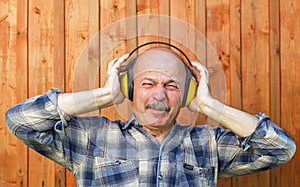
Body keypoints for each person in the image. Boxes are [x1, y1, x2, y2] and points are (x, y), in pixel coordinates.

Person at [6, 45, 296, 187]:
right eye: (147, 84)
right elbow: (20, 120)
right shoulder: (92, 137)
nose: (159, 96)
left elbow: (280, 148)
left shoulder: (208, 143)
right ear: (129, 88)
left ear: (187, 94)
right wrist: (103, 96)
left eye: (171, 86)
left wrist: (209, 107)